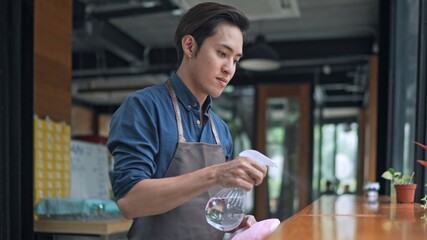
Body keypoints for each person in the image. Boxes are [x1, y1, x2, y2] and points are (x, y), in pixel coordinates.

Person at [107, 2, 267, 240]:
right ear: (190, 46)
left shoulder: (220, 130)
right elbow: (130, 201)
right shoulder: (144, 107)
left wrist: (234, 224)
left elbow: (210, 209)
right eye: (222, 54)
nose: (229, 69)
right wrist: (215, 175)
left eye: (236, 59)